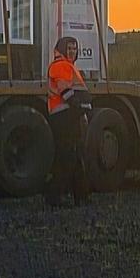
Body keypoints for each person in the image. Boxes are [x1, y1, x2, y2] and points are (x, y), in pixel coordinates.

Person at [44, 35, 93, 206]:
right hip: (64, 117)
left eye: (74, 48)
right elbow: (66, 93)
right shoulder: (61, 66)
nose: (72, 51)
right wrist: (81, 106)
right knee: (68, 158)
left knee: (74, 157)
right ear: (62, 50)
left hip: (69, 116)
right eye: (69, 48)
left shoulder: (67, 66)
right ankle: (54, 197)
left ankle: (80, 197)